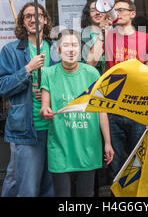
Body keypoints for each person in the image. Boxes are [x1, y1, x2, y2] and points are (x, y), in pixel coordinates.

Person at [87, 0, 148, 181]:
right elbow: (90, 61)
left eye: (120, 10)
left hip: (137, 109)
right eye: (113, 10)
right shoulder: (107, 36)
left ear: (132, 14)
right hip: (113, 108)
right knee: (114, 164)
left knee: (139, 164)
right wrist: (103, 32)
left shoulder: (146, 38)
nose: (115, 13)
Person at [40, 30, 113, 197]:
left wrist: (107, 142)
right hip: (60, 147)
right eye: (66, 45)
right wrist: (46, 112)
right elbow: (44, 107)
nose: (71, 49)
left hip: (88, 147)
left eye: (75, 45)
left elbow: (101, 110)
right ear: (58, 50)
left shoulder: (92, 73)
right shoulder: (49, 74)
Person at [0, 2, 54, 197]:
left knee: (50, 186)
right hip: (28, 129)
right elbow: (2, 86)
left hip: (55, 128)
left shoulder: (56, 49)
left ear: (45, 20)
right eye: (28, 16)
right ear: (22, 22)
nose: (33, 19)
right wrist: (27, 69)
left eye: (38, 15)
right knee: (25, 187)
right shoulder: (11, 50)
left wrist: (48, 94)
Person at [81, 0, 107, 75]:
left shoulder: (115, 35)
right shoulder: (82, 38)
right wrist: (102, 34)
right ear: (88, 14)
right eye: (93, 10)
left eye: (101, 9)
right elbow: (89, 65)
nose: (97, 13)